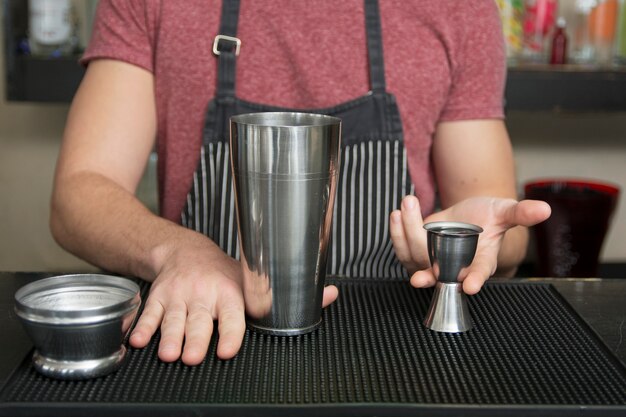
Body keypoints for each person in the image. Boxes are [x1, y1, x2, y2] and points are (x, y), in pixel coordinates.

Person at [50, 0, 551, 366]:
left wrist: (459, 241)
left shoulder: (459, 7)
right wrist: (176, 250)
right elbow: (79, 194)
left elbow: (505, 229)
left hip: (394, 350)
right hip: (210, 341)